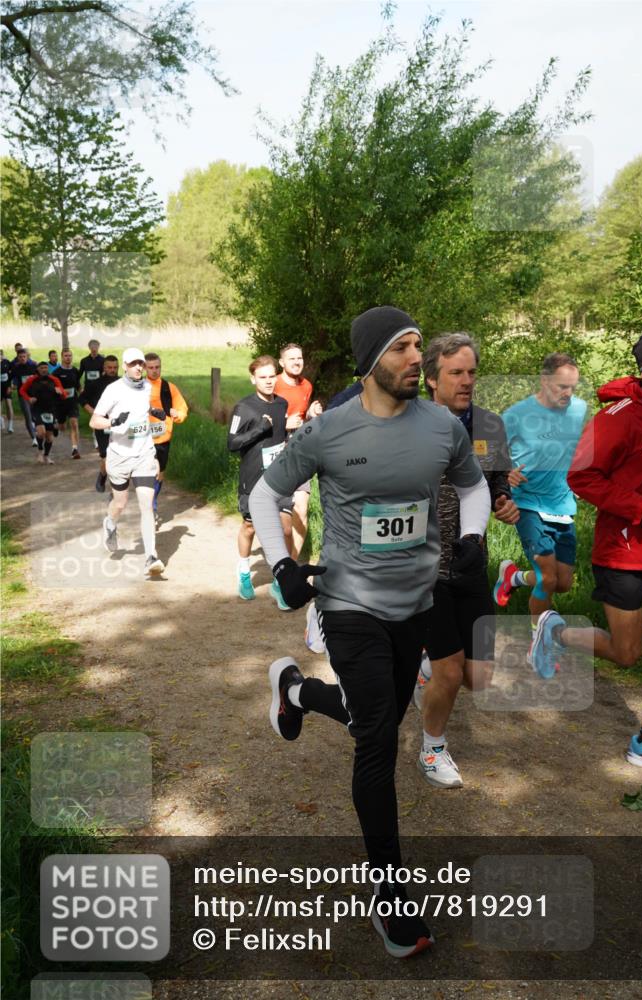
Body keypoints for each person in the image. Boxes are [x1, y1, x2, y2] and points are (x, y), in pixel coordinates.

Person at [249, 306, 490, 958]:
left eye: (419, 346)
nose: (417, 358)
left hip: (412, 602)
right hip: (348, 603)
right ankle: (390, 895)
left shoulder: (441, 426)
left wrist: (471, 537)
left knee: (365, 716)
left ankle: (296, 693)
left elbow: (472, 490)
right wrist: (280, 565)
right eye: (403, 348)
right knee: (378, 734)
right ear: (370, 361)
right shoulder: (329, 431)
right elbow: (262, 496)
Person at [532, 329, 642, 777]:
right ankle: (556, 634)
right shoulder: (618, 417)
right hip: (624, 553)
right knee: (627, 653)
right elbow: (582, 475)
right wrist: (637, 505)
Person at [415, 334, 519, 787]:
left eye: (472, 372)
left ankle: (426, 667)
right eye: (456, 372)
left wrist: (504, 502)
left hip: (473, 561)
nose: (467, 381)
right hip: (425, 569)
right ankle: (432, 748)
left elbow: (498, 483)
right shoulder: (410, 425)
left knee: (478, 677)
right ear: (432, 378)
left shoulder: (490, 426)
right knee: (451, 671)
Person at [494, 353, 587, 664]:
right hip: (528, 503)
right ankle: (540, 643)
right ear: (545, 381)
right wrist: (504, 472)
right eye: (562, 386)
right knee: (547, 578)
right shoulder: (517, 414)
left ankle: (514, 578)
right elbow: (488, 451)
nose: (568, 394)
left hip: (562, 503)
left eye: (572, 387)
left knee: (562, 582)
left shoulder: (579, 410)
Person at [90, 348, 165, 578]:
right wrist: (113, 421)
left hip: (143, 454)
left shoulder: (147, 387)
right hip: (120, 456)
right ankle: (110, 524)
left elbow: (141, 411)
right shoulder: (113, 390)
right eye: (133, 364)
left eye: (141, 363)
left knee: (146, 504)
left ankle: (151, 556)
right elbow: (95, 420)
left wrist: (154, 412)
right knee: (120, 503)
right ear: (124, 366)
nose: (138, 368)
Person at [227, 356, 294, 606]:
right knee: (250, 528)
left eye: (271, 377)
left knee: (285, 528)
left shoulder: (282, 404)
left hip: (279, 477)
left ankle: (280, 582)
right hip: (253, 479)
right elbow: (231, 443)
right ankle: (244, 571)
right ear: (253, 379)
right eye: (263, 377)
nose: (268, 382)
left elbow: (281, 435)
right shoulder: (244, 408)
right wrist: (258, 431)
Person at [274, 343, 323, 557]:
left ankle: (291, 564)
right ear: (282, 362)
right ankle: (278, 553)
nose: (296, 362)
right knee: (281, 514)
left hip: (300, 451)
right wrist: (283, 424)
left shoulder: (306, 386)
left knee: (301, 508)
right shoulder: (272, 383)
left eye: (299, 358)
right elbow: (258, 418)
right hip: (275, 451)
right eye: (291, 359)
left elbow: (301, 419)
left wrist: (311, 415)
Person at [144, 352, 189, 515]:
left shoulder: (169, 387)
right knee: (148, 472)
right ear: (144, 368)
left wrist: (178, 415)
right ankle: (151, 506)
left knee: (159, 473)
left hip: (162, 436)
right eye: (151, 368)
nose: (154, 371)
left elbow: (182, 407)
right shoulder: (138, 387)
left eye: (157, 367)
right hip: (143, 438)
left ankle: (152, 500)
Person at [80, 354, 119, 492]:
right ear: (104, 367)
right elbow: (82, 399)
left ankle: (117, 488)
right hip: (102, 424)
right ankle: (102, 476)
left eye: (115, 367)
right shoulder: (95, 383)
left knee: (121, 457)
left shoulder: (123, 383)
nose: (112, 370)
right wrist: (94, 413)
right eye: (109, 367)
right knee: (107, 457)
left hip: (121, 425)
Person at [19, 361, 65, 463]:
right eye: (42, 368)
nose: (44, 370)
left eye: (45, 368)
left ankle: (46, 456)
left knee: (49, 437)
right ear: (38, 369)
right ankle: (40, 450)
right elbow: (22, 390)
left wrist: (61, 392)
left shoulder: (54, 380)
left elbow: (64, 395)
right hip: (37, 409)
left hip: (50, 410)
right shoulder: (32, 380)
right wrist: (29, 399)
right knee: (41, 432)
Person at [53, 348, 82, 459]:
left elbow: (78, 386)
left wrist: (82, 394)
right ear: (62, 357)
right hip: (60, 404)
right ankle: (55, 426)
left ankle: (75, 449)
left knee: (74, 423)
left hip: (72, 402)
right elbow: (51, 387)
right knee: (62, 427)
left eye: (70, 355)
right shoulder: (56, 372)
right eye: (66, 356)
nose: (68, 357)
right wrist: (57, 390)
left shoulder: (75, 370)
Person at [78, 339, 106, 450]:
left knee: (101, 414)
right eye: (92, 347)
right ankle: (96, 439)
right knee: (93, 414)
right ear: (89, 348)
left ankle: (102, 436)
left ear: (99, 347)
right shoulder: (84, 361)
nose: (94, 349)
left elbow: (105, 373)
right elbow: (79, 374)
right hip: (89, 391)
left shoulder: (103, 360)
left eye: (96, 347)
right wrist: (79, 388)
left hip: (100, 390)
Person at [11, 347, 38, 445]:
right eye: (20, 357)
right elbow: (12, 377)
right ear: (17, 358)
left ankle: (35, 424)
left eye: (24, 356)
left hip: (34, 395)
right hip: (22, 395)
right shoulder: (16, 368)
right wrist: (12, 385)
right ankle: (34, 438)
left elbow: (40, 377)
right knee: (27, 416)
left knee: (34, 415)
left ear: (27, 357)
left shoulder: (34, 367)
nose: (22, 358)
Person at [1, 350, 15, 433]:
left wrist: (11, 385)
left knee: (8, 404)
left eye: (1, 355)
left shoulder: (7, 362)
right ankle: (1, 420)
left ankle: (10, 425)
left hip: (6, 386)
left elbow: (12, 373)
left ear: (2, 355)